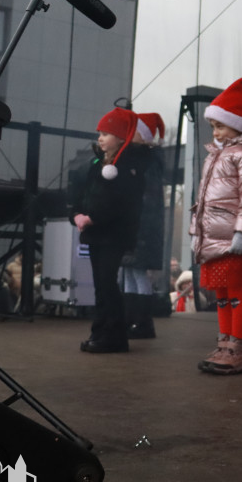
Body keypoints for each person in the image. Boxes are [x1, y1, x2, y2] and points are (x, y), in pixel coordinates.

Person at [191, 77, 242, 375]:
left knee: (235, 292)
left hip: (233, 239)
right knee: (222, 294)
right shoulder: (218, 154)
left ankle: (238, 347)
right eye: (213, 127)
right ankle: (225, 344)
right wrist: (196, 234)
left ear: (239, 123)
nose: (216, 132)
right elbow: (202, 200)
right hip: (214, 239)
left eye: (220, 126)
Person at [70, 107, 147, 353]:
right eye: (99, 133)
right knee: (101, 285)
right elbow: (83, 195)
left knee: (107, 283)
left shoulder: (128, 168)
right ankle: (100, 331)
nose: (100, 138)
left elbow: (123, 205)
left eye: (106, 133)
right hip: (96, 233)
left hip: (112, 234)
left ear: (121, 137)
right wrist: (77, 214)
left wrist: (93, 217)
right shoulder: (97, 164)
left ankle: (114, 334)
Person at [120, 111, 167, 340]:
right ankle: (132, 320)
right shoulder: (143, 158)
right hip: (135, 224)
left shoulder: (148, 161)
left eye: (135, 131)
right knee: (129, 271)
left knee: (137, 272)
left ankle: (142, 322)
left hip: (141, 226)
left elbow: (147, 197)